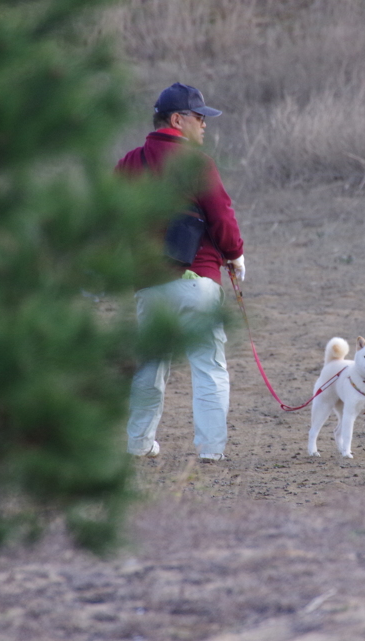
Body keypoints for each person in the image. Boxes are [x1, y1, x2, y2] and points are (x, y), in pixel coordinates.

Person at [116, 83, 245, 461]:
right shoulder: (197, 162)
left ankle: (139, 445)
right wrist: (236, 255)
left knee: (149, 369)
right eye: (199, 116)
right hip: (198, 280)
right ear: (177, 120)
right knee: (208, 368)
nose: (205, 124)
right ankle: (210, 452)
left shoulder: (129, 163)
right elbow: (222, 218)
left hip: (150, 284)